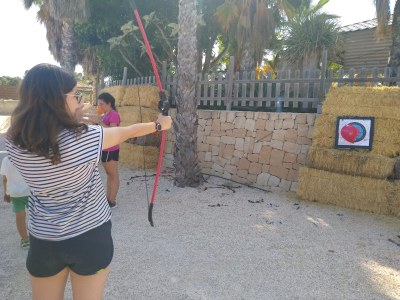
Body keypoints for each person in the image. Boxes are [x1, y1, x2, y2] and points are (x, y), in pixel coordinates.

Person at [6, 63, 172, 300]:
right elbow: (127, 132)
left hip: (45, 240)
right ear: (57, 100)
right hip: (90, 236)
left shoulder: (14, 140)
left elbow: (48, 137)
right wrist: (159, 124)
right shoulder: (85, 138)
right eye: (76, 96)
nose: (81, 102)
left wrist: (70, 116)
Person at [96, 93, 121, 208]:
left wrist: (98, 123)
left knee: (113, 175)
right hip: (105, 147)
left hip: (111, 148)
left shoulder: (114, 115)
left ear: (109, 104)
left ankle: (112, 200)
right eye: (99, 103)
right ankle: (108, 198)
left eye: (102, 104)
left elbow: (113, 131)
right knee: (109, 174)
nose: (99, 106)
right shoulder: (106, 114)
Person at [1, 156, 30, 249]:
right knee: (35, 215)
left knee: (20, 217)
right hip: (30, 191)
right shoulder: (29, 157)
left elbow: (5, 179)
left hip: (15, 193)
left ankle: (25, 240)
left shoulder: (6, 160)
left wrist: (6, 193)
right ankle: (38, 237)